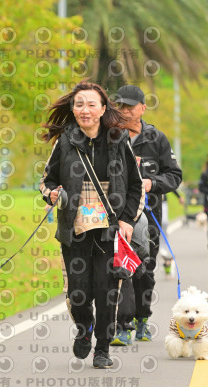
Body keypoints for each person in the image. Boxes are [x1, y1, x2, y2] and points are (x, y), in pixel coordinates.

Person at [38, 81, 143, 368]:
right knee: (79, 292)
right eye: (79, 104)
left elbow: (135, 185)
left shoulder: (119, 140)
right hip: (76, 229)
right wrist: (52, 193)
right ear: (73, 109)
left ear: (103, 108)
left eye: (91, 104)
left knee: (107, 292)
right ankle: (84, 329)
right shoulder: (65, 142)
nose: (85, 110)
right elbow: (47, 180)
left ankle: (103, 349)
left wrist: (127, 220)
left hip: (110, 229)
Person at [110, 85, 182, 346]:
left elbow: (174, 175)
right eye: (120, 106)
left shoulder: (156, 138)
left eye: (130, 107)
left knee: (144, 269)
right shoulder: (109, 136)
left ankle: (142, 319)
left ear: (142, 108)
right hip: (115, 214)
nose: (125, 111)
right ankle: (122, 325)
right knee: (119, 267)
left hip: (149, 215)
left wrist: (153, 183)